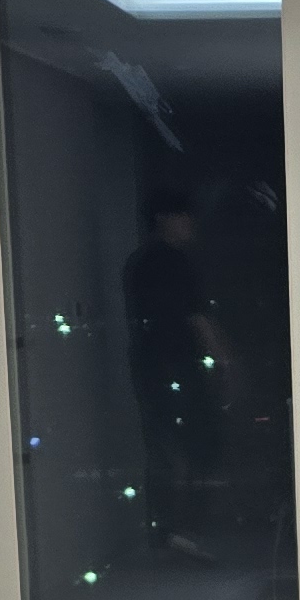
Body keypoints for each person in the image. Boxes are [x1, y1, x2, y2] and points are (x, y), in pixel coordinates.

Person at [120, 188, 225, 559]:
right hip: (175, 366)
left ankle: (171, 529)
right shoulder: (171, 263)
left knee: (167, 444)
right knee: (188, 444)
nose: (190, 224)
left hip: (153, 365)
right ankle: (180, 528)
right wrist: (222, 359)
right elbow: (195, 314)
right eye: (183, 216)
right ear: (164, 218)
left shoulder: (140, 263)